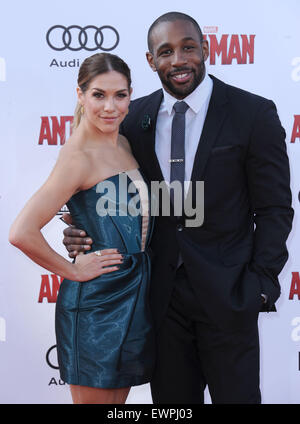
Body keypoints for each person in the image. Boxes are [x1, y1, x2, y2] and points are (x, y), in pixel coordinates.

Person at [62, 12, 294, 404]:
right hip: (160, 298)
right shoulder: (131, 119)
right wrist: (82, 231)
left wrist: (260, 285)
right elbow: (106, 193)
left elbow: (274, 208)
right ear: (151, 61)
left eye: (188, 47)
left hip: (229, 295)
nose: (178, 60)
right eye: (165, 52)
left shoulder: (252, 113)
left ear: (205, 49)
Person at [9, 53, 155, 404]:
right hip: (96, 307)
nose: (110, 106)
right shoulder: (78, 156)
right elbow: (21, 232)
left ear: (131, 95)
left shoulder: (122, 141)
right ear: (80, 95)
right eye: (98, 95)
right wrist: (72, 270)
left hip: (133, 292)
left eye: (120, 95)